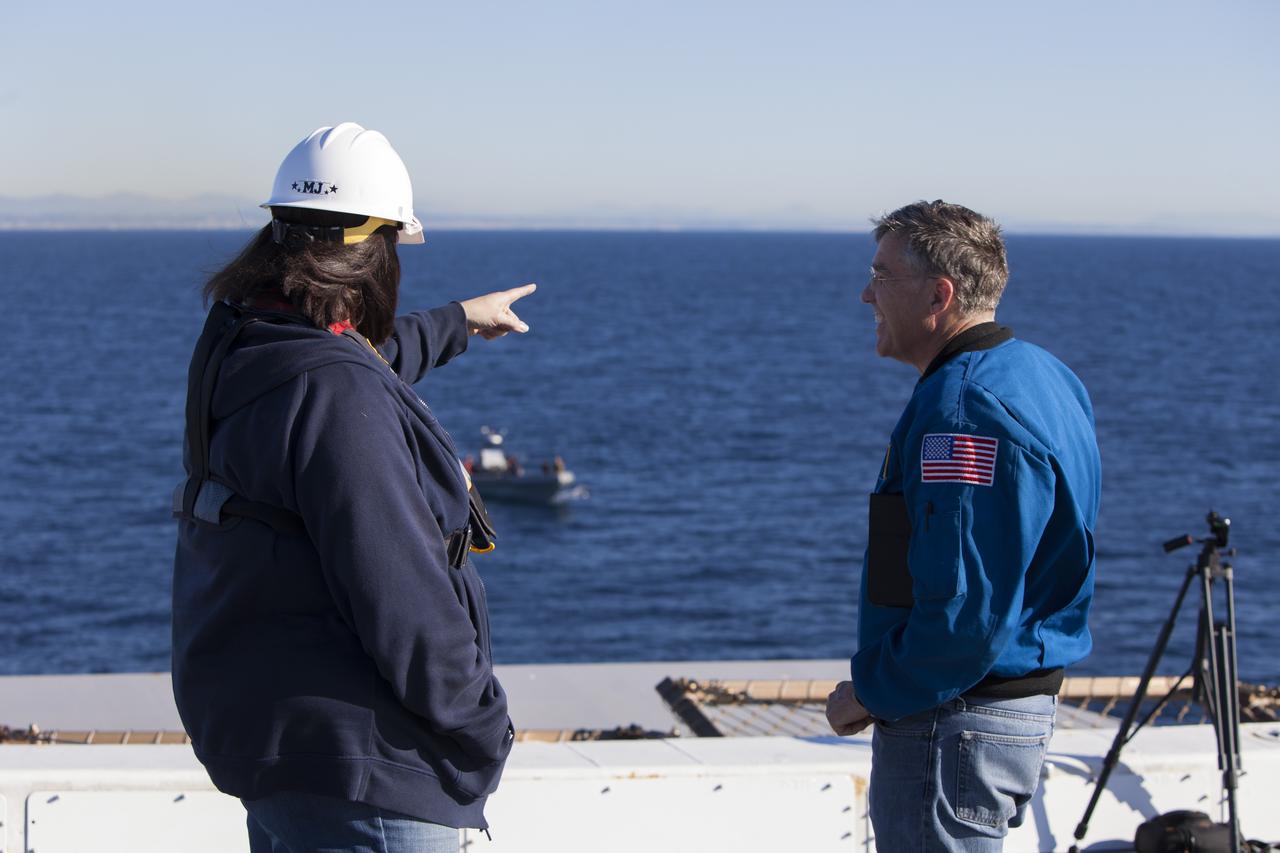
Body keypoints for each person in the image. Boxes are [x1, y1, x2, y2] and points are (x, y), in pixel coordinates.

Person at [171, 122, 534, 853]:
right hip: (371, 783)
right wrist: (484, 725)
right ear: (374, 252)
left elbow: (355, 363)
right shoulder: (335, 395)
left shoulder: (242, 345)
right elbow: (405, 600)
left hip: (283, 757)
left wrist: (459, 321)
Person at [825, 200, 1101, 851]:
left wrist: (867, 691)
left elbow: (964, 616)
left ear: (939, 294)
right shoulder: (1044, 375)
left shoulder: (965, 408)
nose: (866, 292)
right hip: (997, 716)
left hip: (951, 721)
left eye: (882, 274)